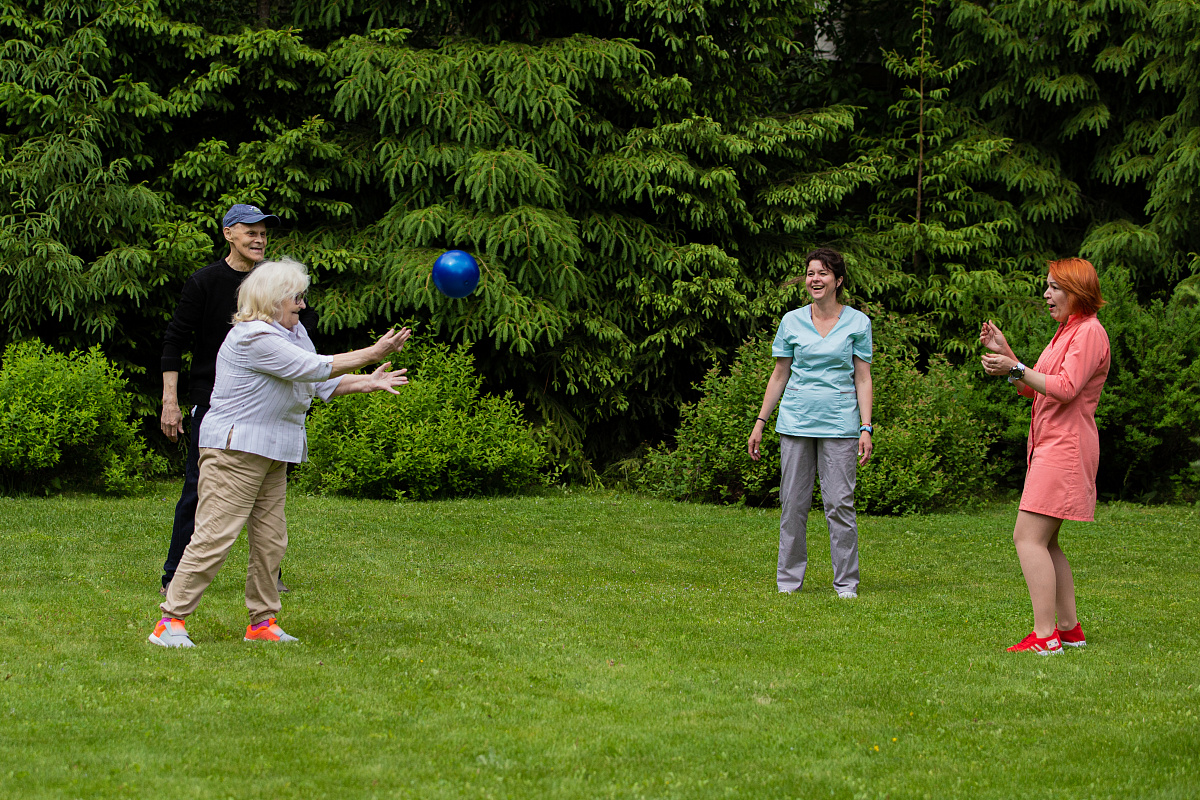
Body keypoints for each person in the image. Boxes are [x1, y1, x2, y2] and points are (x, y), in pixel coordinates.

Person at [149, 257, 412, 647]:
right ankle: (169, 623)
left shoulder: (293, 333)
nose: (302, 305)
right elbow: (314, 367)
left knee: (272, 540)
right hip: (234, 450)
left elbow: (319, 383)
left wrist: (367, 382)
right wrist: (371, 352)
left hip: (273, 451)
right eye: (297, 298)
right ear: (272, 298)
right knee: (214, 537)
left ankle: (261, 622)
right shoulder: (253, 337)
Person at [159, 204, 313, 595]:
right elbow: (174, 340)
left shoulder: (274, 283)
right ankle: (174, 576)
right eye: (251, 232)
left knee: (265, 497)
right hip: (213, 402)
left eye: (264, 233)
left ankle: (269, 578)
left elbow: (297, 337)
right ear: (229, 234)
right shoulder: (205, 282)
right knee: (198, 488)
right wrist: (170, 401)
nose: (259, 239)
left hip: (262, 405)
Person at [980, 257, 1110, 655]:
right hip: (1050, 446)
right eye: (1047, 286)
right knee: (1047, 543)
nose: (1046, 294)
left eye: (1054, 287)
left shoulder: (1088, 333)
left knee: (1027, 538)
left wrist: (1014, 366)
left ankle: (1045, 635)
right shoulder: (1066, 332)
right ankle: (1068, 630)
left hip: (1065, 449)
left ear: (1077, 291)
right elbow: (1038, 386)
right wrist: (1008, 357)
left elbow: (1067, 388)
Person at [748, 248, 874, 598]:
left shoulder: (858, 323)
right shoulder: (791, 321)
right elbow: (779, 374)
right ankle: (788, 582)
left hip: (840, 426)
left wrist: (866, 427)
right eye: (810, 273)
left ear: (838, 280)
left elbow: (863, 379)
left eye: (822, 273)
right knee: (793, 504)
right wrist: (760, 422)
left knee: (839, 505)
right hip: (795, 424)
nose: (815, 279)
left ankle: (846, 584)